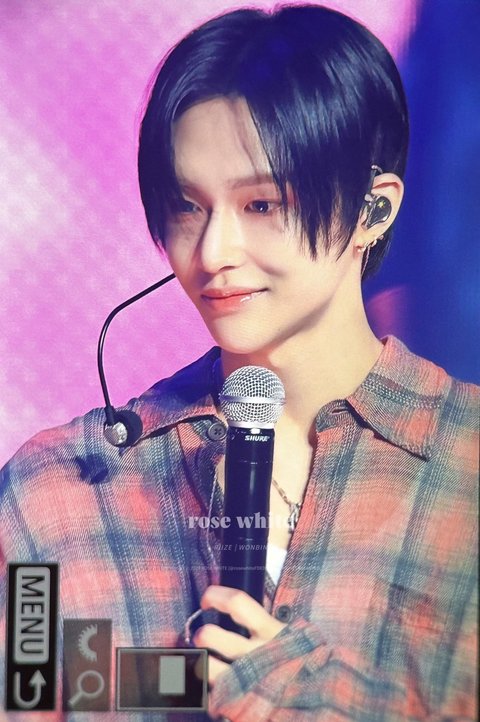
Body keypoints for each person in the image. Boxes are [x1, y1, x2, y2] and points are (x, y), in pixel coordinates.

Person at [0, 5, 478, 721]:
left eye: (261, 204)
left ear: (372, 212)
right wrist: (160, 679)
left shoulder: (465, 468)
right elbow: (27, 691)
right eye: (188, 206)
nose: (213, 252)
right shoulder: (58, 494)